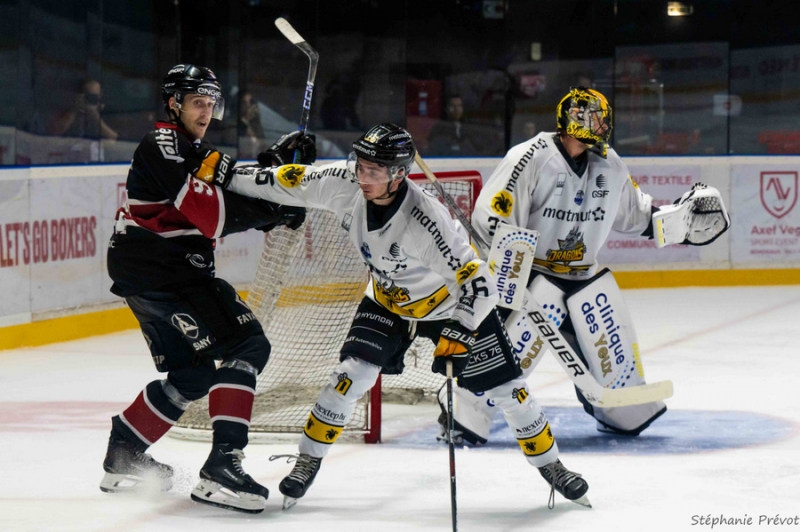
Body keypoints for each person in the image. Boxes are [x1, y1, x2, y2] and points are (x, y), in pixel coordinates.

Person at [212, 123, 591, 511]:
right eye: (361, 166)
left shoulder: (426, 220)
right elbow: (285, 181)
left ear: (398, 174)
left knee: (510, 391)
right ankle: (307, 459)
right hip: (387, 301)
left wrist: (460, 330)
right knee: (348, 377)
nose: (363, 177)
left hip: (448, 308)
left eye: (374, 171)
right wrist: (221, 172)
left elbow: (480, 284)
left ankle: (552, 466)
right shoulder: (345, 182)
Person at [444, 86, 729, 444]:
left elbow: (635, 215)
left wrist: (681, 225)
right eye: (595, 119)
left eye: (604, 120)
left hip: (582, 278)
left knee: (614, 366)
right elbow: (492, 218)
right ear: (573, 120)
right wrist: (511, 277)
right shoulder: (531, 156)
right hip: (533, 276)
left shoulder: (609, 162)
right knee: (511, 349)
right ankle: (468, 408)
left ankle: (619, 410)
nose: (602, 126)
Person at [99, 63, 312, 514]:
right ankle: (222, 465)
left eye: (211, 103)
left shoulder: (189, 148)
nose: (206, 112)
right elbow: (213, 216)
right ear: (173, 103)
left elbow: (226, 182)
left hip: (152, 271)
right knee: (248, 344)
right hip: (165, 271)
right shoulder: (164, 143)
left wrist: (277, 172)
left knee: (192, 375)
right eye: (197, 102)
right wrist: (276, 208)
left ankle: (124, 454)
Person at [49, 79, 119, 141]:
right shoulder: (67, 111)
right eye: (87, 96)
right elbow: (54, 133)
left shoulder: (108, 114)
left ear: (100, 97)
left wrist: (95, 116)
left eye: (94, 97)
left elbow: (116, 139)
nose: (89, 100)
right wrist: (74, 110)